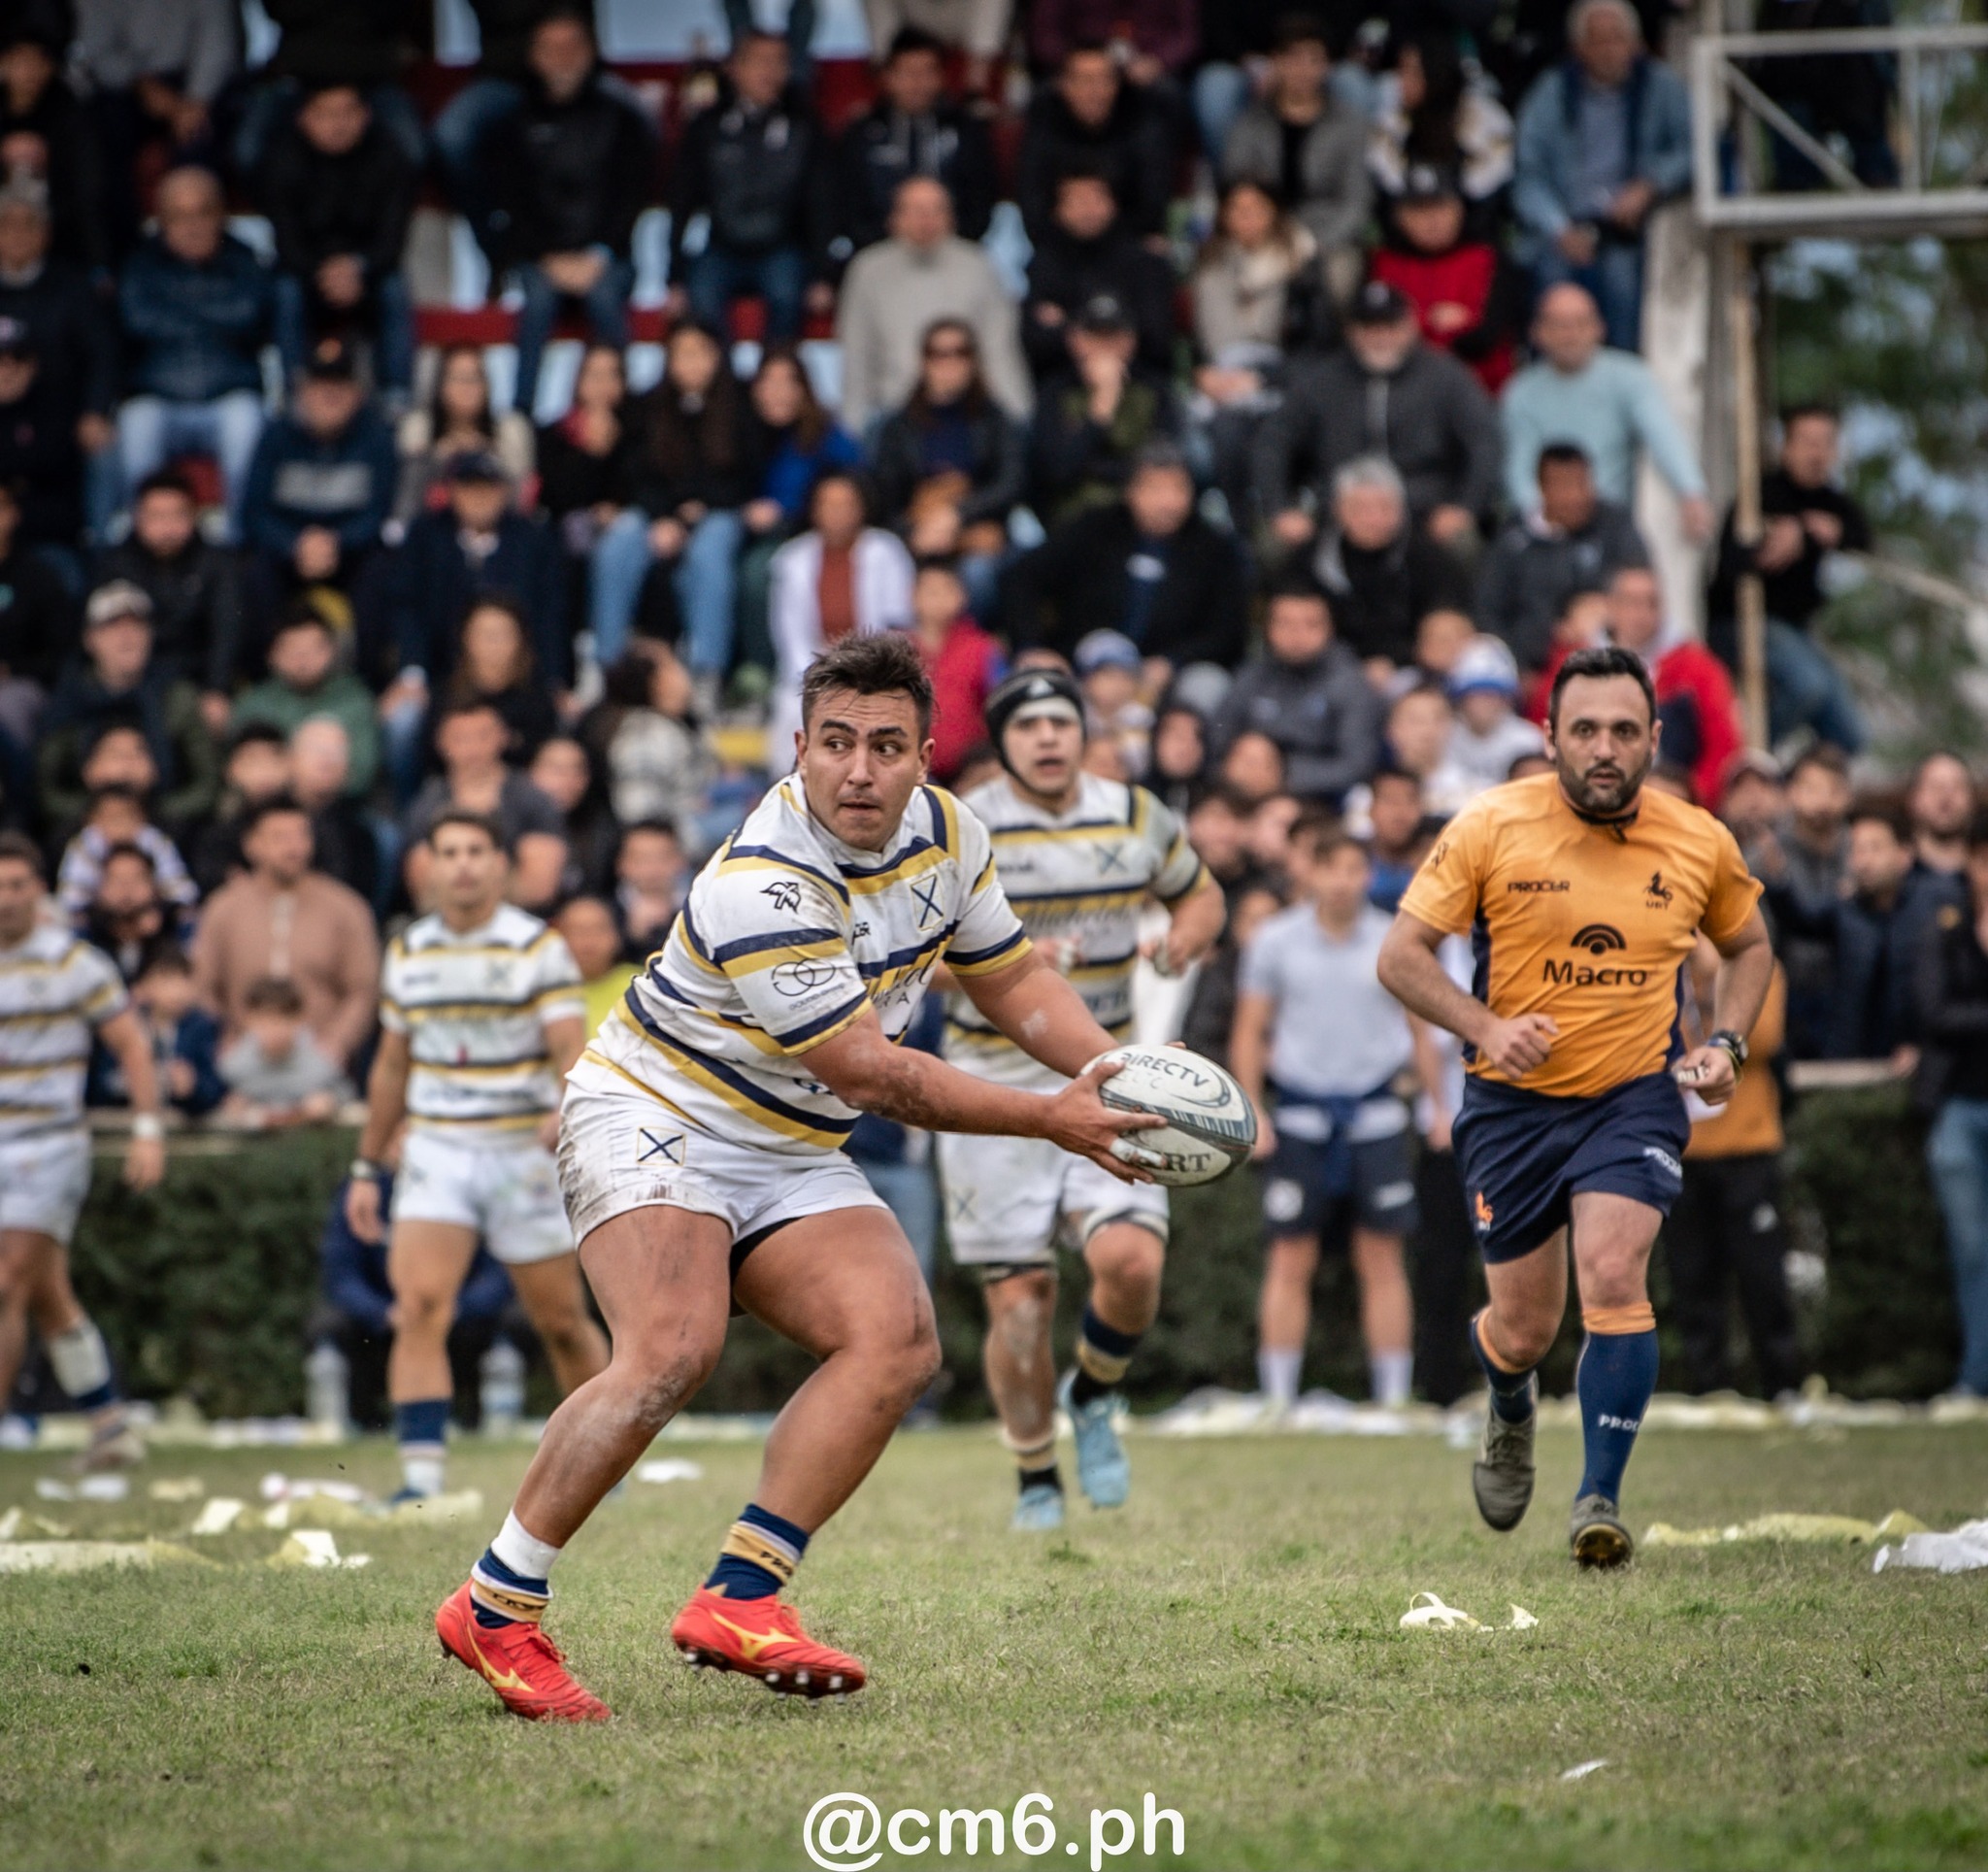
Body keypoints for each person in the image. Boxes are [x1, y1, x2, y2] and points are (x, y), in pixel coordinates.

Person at [431, 632, 1168, 1721]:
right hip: (653, 1109)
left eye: (885, 744)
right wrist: (1051, 1118)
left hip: (785, 1138)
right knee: (672, 1347)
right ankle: (495, 1604)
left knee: (896, 1339)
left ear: (925, 753)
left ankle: (741, 1595)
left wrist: (1109, 1070)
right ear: (798, 748)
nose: (858, 770)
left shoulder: (951, 832)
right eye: (835, 743)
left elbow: (1010, 982)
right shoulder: (762, 880)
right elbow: (872, 1073)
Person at [1378, 644, 1773, 1566]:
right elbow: (1399, 956)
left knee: (1612, 1273)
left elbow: (1751, 948)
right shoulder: (1487, 825)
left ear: (1654, 740)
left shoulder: (1699, 838)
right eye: (1586, 729)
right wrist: (1484, 1024)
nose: (1605, 748)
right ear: (1550, 735)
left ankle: (1599, 1496)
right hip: (1510, 1108)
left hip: (1634, 1097)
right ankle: (1510, 1402)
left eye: (1625, 731)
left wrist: (1725, 1042)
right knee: (1522, 1329)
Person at [941, 667, 1223, 1527]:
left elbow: (1203, 896)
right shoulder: (965, 826)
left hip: (1108, 1065)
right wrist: (1006, 970)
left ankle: (1095, 1392)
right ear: (1004, 744)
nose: (1049, 739)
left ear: (1082, 730)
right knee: (1020, 1299)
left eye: (1062, 722)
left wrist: (1183, 937)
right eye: (1029, 728)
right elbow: (916, 953)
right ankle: (1034, 1474)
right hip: (990, 1077)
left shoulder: (1136, 813)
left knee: (1131, 1264)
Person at [347, 811, 610, 1502]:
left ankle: (608, 1461)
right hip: (436, 1145)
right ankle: (421, 1479)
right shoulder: (408, 951)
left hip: (519, 1148)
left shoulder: (536, 948)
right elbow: (390, 1068)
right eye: (449, 852)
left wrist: (566, 1111)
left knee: (559, 1320)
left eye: (476, 851)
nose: (463, 865)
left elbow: (568, 1049)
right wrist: (367, 1166)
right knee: (420, 1306)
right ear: (428, 866)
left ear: (501, 865)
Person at [1234, 818, 1432, 1410]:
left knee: (1383, 1257)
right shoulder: (1274, 940)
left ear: (1368, 875)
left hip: (1376, 1114)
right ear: (1311, 872)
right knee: (1291, 1256)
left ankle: (1392, 1399)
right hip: (1299, 1114)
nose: (1343, 882)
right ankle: (1278, 1400)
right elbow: (1249, 1030)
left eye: (1355, 869)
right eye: (1331, 868)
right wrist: (1252, 1113)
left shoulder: (1393, 937)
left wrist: (1436, 1101)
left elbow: (1422, 1028)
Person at [0, 833, 164, 1469]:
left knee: (7, 1278)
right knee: (46, 1292)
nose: (7, 899)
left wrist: (147, 1129)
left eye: (17, 885)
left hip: (50, 1146)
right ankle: (110, 1423)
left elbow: (131, 1043)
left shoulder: (73, 962)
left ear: (38, 891)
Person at [1257, 281, 1502, 552]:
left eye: (1390, 327)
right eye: (1369, 328)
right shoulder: (1320, 380)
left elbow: (1484, 442)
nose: (1380, 337)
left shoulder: (1446, 376)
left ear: (1410, 325)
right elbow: (1274, 441)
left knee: (1462, 544)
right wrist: (1279, 508)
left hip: (1424, 508)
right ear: (1351, 331)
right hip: (1336, 506)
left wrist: (1465, 506)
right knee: (1275, 545)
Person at [487, 10, 652, 413]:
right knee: (537, 301)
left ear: (592, 52)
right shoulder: (512, 125)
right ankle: (521, 418)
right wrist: (547, 257)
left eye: (572, 47)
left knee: (604, 296)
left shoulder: (622, 119)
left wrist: (598, 253)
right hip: (540, 258)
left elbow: (629, 200)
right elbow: (511, 204)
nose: (563, 58)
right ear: (533, 56)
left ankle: (623, 416)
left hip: (606, 256)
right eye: (552, 48)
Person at [1511, 0, 1692, 351]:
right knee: (1550, 286)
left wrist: (1649, 185)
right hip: (1564, 229)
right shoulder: (1551, 91)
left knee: (1623, 286)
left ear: (1636, 44)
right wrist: (1558, 227)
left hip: (1630, 230)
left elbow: (1696, 150)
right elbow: (1528, 175)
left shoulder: (1663, 86)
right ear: (1578, 48)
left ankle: (1623, 382)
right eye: (1598, 40)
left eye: (1617, 39)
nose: (1609, 50)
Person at [1668, 942, 1803, 1398]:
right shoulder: (1662, 972)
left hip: (1748, 1146)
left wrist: (1710, 986)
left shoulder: (1756, 963)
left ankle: (1783, 1384)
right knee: (1692, 1278)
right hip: (1684, 1151)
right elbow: (1657, 1059)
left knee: (1762, 1274)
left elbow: (1763, 1041)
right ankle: (1709, 1388)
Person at [115, 166, 272, 541]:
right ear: (161, 220)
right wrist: (213, 311)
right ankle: (140, 543)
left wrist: (176, 308)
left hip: (227, 397)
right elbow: (137, 320)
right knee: (135, 424)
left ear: (222, 216)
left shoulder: (245, 260)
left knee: (247, 424)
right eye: (180, 215)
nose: (193, 225)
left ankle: (240, 543)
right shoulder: (140, 264)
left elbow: (249, 313)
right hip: (158, 399)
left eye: (204, 212)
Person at [588, 323, 751, 682]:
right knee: (617, 544)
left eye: (699, 352)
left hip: (718, 512)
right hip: (657, 512)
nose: (691, 363)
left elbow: (744, 478)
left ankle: (706, 672)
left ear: (716, 356)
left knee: (709, 553)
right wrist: (666, 516)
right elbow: (638, 473)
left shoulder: (740, 405)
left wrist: (697, 510)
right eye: (682, 353)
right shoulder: (649, 407)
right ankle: (606, 666)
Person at [1007, 444, 1248, 680]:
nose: (1168, 503)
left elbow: (1226, 631)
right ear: (1130, 491)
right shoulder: (1094, 528)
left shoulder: (1215, 549)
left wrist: (1173, 661)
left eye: (1179, 489)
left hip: (1169, 676)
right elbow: (1022, 576)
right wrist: (1033, 646)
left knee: (1205, 684)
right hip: (1081, 666)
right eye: (1155, 489)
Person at [1707, 406, 1869, 752]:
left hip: (1795, 632)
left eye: (1825, 443)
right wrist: (1765, 549)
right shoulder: (1761, 495)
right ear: (1787, 447)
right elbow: (1728, 564)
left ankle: (1806, 785)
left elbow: (1861, 536)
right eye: (1808, 442)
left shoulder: (1830, 501)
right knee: (1807, 685)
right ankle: (1748, 761)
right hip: (1740, 623)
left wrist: (1818, 531)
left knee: (1849, 735)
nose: (1817, 453)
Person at [1530, 562, 1742, 814]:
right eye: (1631, 602)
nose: (1642, 614)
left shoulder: (1697, 667)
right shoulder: (1571, 664)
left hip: (1677, 805)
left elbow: (1725, 746)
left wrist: (1688, 799)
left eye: (1651, 603)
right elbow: (1540, 733)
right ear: (1609, 606)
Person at [1501, 285, 1708, 538]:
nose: (1570, 334)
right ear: (1538, 332)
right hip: (1547, 525)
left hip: (1612, 525)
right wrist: (1544, 527)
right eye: (1558, 324)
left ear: (1599, 327)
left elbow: (1663, 436)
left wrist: (1690, 491)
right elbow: (1519, 470)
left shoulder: (1631, 376)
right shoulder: (1521, 393)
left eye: (1580, 323)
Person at [190, 794, 381, 1072]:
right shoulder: (223, 908)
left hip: (321, 1063)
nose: (293, 848)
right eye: (279, 837)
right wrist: (222, 1040)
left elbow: (362, 990)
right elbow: (203, 986)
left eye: (301, 836)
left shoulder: (346, 908)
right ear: (251, 845)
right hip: (239, 1062)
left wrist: (336, 1044)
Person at [381, 451, 568, 732]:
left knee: (560, 720)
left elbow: (551, 614)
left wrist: (554, 680)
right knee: (403, 721)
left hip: (519, 680)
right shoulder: (425, 535)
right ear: (451, 491)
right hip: (440, 674)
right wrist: (412, 674)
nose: (479, 496)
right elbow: (409, 608)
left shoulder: (534, 539)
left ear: (504, 491)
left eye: (488, 486)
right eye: (469, 486)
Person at [834, 177, 1031, 438]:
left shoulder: (978, 266)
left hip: (968, 413)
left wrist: (1018, 416)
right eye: (916, 210)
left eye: (936, 210)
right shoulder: (868, 269)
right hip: (892, 412)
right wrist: (853, 428)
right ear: (895, 217)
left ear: (951, 217)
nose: (926, 219)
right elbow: (857, 356)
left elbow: (1000, 350)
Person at [667, 30, 825, 350]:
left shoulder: (805, 126)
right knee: (702, 299)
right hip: (722, 247)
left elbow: (823, 203)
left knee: (786, 293)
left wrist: (822, 274)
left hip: (782, 248)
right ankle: (724, 395)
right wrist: (675, 278)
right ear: (734, 68)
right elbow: (682, 201)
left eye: (778, 62)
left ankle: (776, 390)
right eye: (759, 62)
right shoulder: (707, 127)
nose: (769, 71)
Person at [260, 81, 418, 401]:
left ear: (366, 116)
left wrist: (357, 268)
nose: (338, 124)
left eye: (348, 112)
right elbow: (287, 243)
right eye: (326, 114)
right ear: (304, 118)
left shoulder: (390, 157)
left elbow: (392, 241)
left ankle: (397, 400)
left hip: (368, 272)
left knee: (395, 289)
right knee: (285, 291)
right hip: (307, 272)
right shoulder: (281, 160)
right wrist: (326, 272)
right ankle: (296, 399)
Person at [1769, 805, 1956, 1066]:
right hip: (1848, 1057)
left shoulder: (1935, 905)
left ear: (1904, 854)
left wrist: (1921, 1044)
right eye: (1857, 850)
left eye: (1875, 848)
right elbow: (1800, 920)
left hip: (1918, 1060)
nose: (1864, 861)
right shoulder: (1845, 908)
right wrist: (1779, 880)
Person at [868, 318, 1026, 621]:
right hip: (915, 534)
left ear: (974, 361)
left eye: (960, 353)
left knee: (979, 574)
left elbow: (1011, 482)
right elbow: (883, 495)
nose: (949, 363)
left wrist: (957, 516)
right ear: (923, 360)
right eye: (938, 353)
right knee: (881, 567)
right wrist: (914, 531)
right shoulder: (897, 426)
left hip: (979, 531)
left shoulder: (996, 420)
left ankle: (972, 657)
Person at [36, 582, 221, 835]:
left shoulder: (177, 696)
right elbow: (44, 788)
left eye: (137, 625)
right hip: (83, 828)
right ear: (90, 639)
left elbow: (207, 784)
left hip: (168, 826)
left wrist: (151, 815)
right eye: (112, 626)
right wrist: (99, 815)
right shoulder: (68, 700)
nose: (127, 636)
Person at [1220, 13, 1371, 304]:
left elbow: (1357, 201)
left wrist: (1313, 244)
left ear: (1328, 66)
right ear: (1275, 62)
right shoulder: (1249, 123)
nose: (1303, 70)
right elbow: (1236, 188)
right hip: (1264, 233)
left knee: (1339, 275)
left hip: (1327, 237)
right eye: (1293, 58)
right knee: (1232, 273)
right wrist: (1268, 236)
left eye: (1314, 60)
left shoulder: (1349, 124)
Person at [241, 337, 397, 616]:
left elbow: (379, 512)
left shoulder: (377, 437)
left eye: (340, 385)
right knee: (254, 569)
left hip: (351, 550)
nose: (330, 395)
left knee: (381, 568)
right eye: (321, 385)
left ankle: (368, 661)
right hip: (288, 549)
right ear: (302, 391)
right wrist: (294, 544)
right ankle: (265, 659)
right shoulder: (277, 435)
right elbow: (255, 512)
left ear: (357, 393)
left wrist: (336, 542)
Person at [767, 473, 915, 759]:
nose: (836, 513)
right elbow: (788, 632)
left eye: (845, 504)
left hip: (875, 666)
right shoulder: (791, 558)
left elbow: (899, 620)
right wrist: (821, 675)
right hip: (812, 668)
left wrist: (866, 668)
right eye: (828, 504)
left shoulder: (886, 551)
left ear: (861, 508)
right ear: (814, 509)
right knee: (791, 713)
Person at [1916, 813, 1988, 1398]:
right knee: (1971, 1249)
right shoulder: (1946, 925)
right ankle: (1975, 1377)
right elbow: (1933, 1012)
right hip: (1959, 1108)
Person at [1209, 576, 1385, 806]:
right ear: (1267, 628)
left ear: (1331, 628)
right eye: (1285, 623)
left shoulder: (1350, 683)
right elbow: (1217, 744)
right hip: (1240, 794)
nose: (1297, 635)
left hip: (1317, 802)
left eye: (1310, 624)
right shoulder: (1252, 674)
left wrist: (1281, 777)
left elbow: (1357, 765)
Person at [0, 180, 116, 525]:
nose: (18, 234)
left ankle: (98, 545)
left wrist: (95, 410)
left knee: (104, 446)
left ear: (46, 233)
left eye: (29, 225)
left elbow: (104, 353)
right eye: (8, 224)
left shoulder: (73, 287)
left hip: (61, 417)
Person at [1478, 441, 1648, 675]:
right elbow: (1488, 611)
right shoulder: (1513, 539)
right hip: (1528, 671)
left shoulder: (1614, 526)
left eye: (1583, 483)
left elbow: (1641, 582)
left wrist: (1605, 606)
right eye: (1564, 486)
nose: (1576, 496)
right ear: (1542, 487)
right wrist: (1517, 665)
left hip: (1604, 661)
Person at [91, 471, 245, 727]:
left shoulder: (218, 562)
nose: (167, 527)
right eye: (157, 516)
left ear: (194, 516)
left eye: (177, 515)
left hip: (197, 679)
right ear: (138, 518)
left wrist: (217, 689)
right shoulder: (114, 564)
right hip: (132, 681)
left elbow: (227, 630)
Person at [833, 27, 996, 260]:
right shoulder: (861, 134)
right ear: (887, 77)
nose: (917, 83)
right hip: (878, 254)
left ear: (942, 78)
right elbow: (848, 206)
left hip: (953, 253)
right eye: (908, 72)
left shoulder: (967, 131)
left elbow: (981, 203)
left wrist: (941, 236)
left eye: (927, 72)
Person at [1367, 163, 1527, 396]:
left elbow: (1485, 338)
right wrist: (1441, 324)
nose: (1433, 220)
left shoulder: (1488, 257)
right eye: (1420, 209)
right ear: (1400, 217)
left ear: (1459, 210)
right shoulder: (1382, 262)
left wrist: (1414, 324)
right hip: (1402, 392)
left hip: (1479, 390)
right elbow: (1377, 336)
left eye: (1441, 207)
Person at [1309, 454, 1474, 675]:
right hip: (1328, 672)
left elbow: (1448, 626)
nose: (1374, 519)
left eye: (1385, 507)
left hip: (1414, 672)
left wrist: (1397, 662)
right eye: (1362, 508)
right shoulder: (1312, 558)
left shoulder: (1431, 559)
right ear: (1338, 510)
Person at [1028, 291, 1182, 525]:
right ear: (1075, 339)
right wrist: (1101, 409)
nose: (1104, 348)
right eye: (1094, 336)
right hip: (1074, 519)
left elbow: (1164, 462)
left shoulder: (1154, 390)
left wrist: (1098, 468)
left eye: (1113, 337)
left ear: (1131, 340)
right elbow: (1057, 470)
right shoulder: (1055, 392)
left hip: (1141, 516)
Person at [402, 702, 569, 913]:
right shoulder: (425, 805)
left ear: (504, 737)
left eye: (483, 736)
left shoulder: (533, 799)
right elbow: (425, 893)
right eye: (461, 738)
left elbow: (539, 889)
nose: (473, 748)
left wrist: (464, 886)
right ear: (441, 743)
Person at [1016, 42, 1176, 248]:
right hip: (1059, 248)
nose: (1095, 91)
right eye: (1085, 80)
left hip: (1127, 246)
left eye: (1104, 79)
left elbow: (1152, 205)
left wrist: (1100, 221)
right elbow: (1033, 206)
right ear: (1064, 84)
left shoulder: (1141, 125)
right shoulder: (1044, 126)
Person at [1023, 171, 1176, 379]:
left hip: (1141, 379)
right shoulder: (1043, 265)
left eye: (1096, 198)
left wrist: (1070, 327)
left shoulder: (1145, 263)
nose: (1087, 209)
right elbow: (1036, 340)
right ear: (1057, 209)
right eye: (1076, 200)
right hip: (1063, 382)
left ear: (1114, 203)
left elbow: (1157, 337)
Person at [1368, 33, 1515, 240]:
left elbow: (1490, 199)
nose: (1401, 81)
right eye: (1400, 70)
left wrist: (1449, 221)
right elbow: (1385, 192)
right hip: (1404, 242)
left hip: (1472, 242)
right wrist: (1411, 218)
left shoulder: (1486, 120)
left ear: (1436, 72)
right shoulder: (1389, 124)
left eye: (1412, 72)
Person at [231, 604, 381, 798]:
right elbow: (241, 770)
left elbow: (363, 772)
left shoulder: (356, 699)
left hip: (341, 806)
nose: (303, 659)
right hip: (267, 806)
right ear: (271, 654)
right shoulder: (253, 705)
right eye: (292, 648)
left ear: (333, 650)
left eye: (312, 648)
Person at [395, 345, 536, 524]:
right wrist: (441, 457)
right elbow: (406, 497)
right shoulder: (420, 427)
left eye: (475, 378)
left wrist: (484, 457)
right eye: (458, 378)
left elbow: (521, 495)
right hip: (430, 533)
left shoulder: (509, 429)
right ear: (440, 384)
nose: (467, 388)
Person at [909, 556, 1003, 783]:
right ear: (913, 597)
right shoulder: (897, 649)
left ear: (962, 597)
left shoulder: (983, 648)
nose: (939, 600)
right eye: (931, 592)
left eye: (947, 591)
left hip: (971, 769)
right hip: (913, 767)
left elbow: (998, 707)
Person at [216, 974, 350, 1127]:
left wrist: (329, 1100)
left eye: (282, 1020)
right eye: (265, 1021)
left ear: (300, 1019)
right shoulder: (233, 1066)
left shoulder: (321, 1062)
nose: (275, 1030)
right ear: (248, 1020)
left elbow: (346, 1093)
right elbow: (214, 1098)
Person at [1446, 637, 1547, 792]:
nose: (1484, 703)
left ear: (1507, 699)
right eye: (1476, 694)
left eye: (1493, 694)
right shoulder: (1445, 735)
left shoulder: (1528, 739)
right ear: (1461, 700)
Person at [554, 891, 637, 1035]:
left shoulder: (640, 984)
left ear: (617, 935)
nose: (588, 942)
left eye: (599, 930)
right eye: (577, 932)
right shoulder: (544, 988)